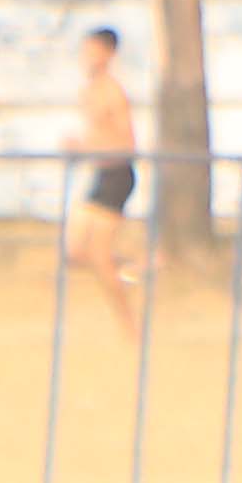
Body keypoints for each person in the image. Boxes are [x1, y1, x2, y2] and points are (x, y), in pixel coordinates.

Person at [65, 22, 147, 332]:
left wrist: (87, 147)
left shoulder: (113, 92)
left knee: (99, 256)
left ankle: (130, 325)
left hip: (117, 175)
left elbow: (127, 143)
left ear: (109, 55)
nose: (87, 58)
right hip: (100, 174)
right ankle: (134, 268)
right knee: (76, 250)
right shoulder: (88, 91)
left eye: (94, 52)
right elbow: (95, 134)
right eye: (85, 51)